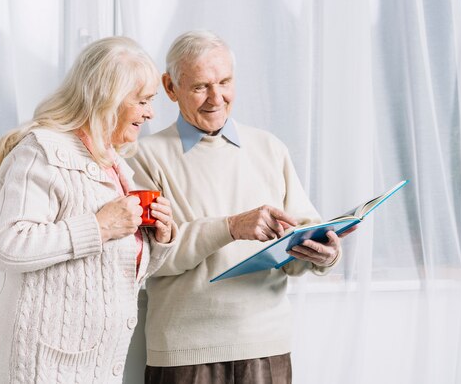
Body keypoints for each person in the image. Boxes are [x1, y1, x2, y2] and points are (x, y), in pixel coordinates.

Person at [128, 29, 357, 383]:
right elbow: (151, 261)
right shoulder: (144, 157)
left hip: (265, 346)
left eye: (224, 82)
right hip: (184, 352)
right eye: (200, 86)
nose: (215, 97)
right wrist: (231, 226)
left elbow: (297, 244)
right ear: (170, 87)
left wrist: (325, 255)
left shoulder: (269, 148)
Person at [0, 36, 177, 384]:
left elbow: (115, 268)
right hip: (40, 365)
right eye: (142, 101)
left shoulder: (114, 164)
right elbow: (8, 245)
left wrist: (159, 238)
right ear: (108, 100)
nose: (150, 112)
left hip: (94, 365)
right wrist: (100, 227)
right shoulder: (42, 150)